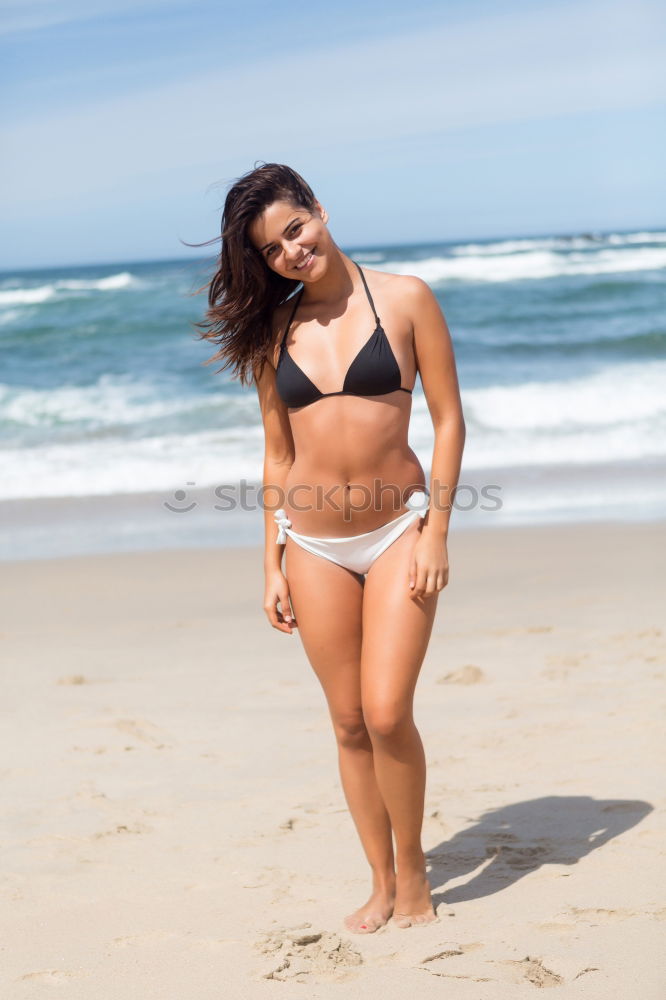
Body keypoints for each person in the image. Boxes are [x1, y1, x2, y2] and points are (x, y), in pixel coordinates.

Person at [196, 163, 466, 933]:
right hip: (312, 545)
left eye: (294, 228)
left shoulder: (406, 298)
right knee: (346, 721)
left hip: (397, 534)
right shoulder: (271, 331)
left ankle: (414, 872)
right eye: (272, 248)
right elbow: (278, 457)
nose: (290, 251)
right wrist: (272, 561)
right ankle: (381, 882)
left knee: (385, 713)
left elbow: (448, 420)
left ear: (318, 210)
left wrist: (436, 532)